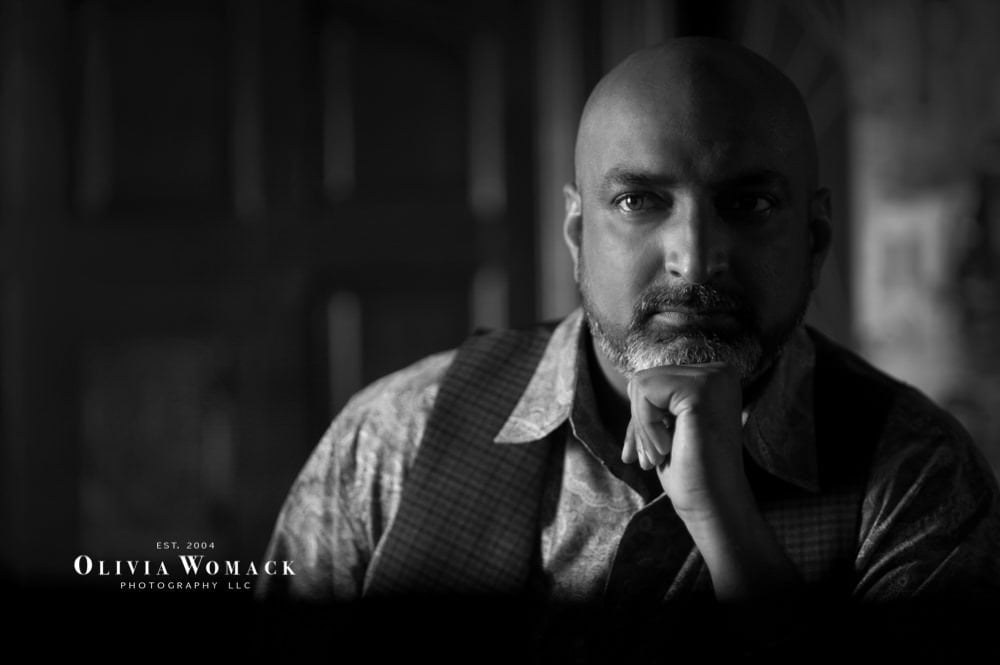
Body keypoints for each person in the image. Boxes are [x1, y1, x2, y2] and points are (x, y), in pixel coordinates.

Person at [257, 38, 1000, 659]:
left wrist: (726, 522)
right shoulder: (394, 437)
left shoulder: (915, 477)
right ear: (579, 235)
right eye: (640, 201)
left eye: (748, 203)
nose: (695, 256)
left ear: (815, 240)